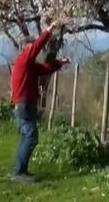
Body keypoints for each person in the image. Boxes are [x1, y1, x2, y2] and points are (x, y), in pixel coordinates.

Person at [10, 21, 70, 182]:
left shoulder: (27, 65)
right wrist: (49, 30)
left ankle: (19, 171)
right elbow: (37, 46)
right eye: (30, 47)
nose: (33, 50)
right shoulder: (24, 59)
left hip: (25, 104)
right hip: (24, 104)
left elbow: (44, 69)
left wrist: (60, 63)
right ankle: (18, 173)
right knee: (31, 137)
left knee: (26, 137)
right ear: (25, 48)